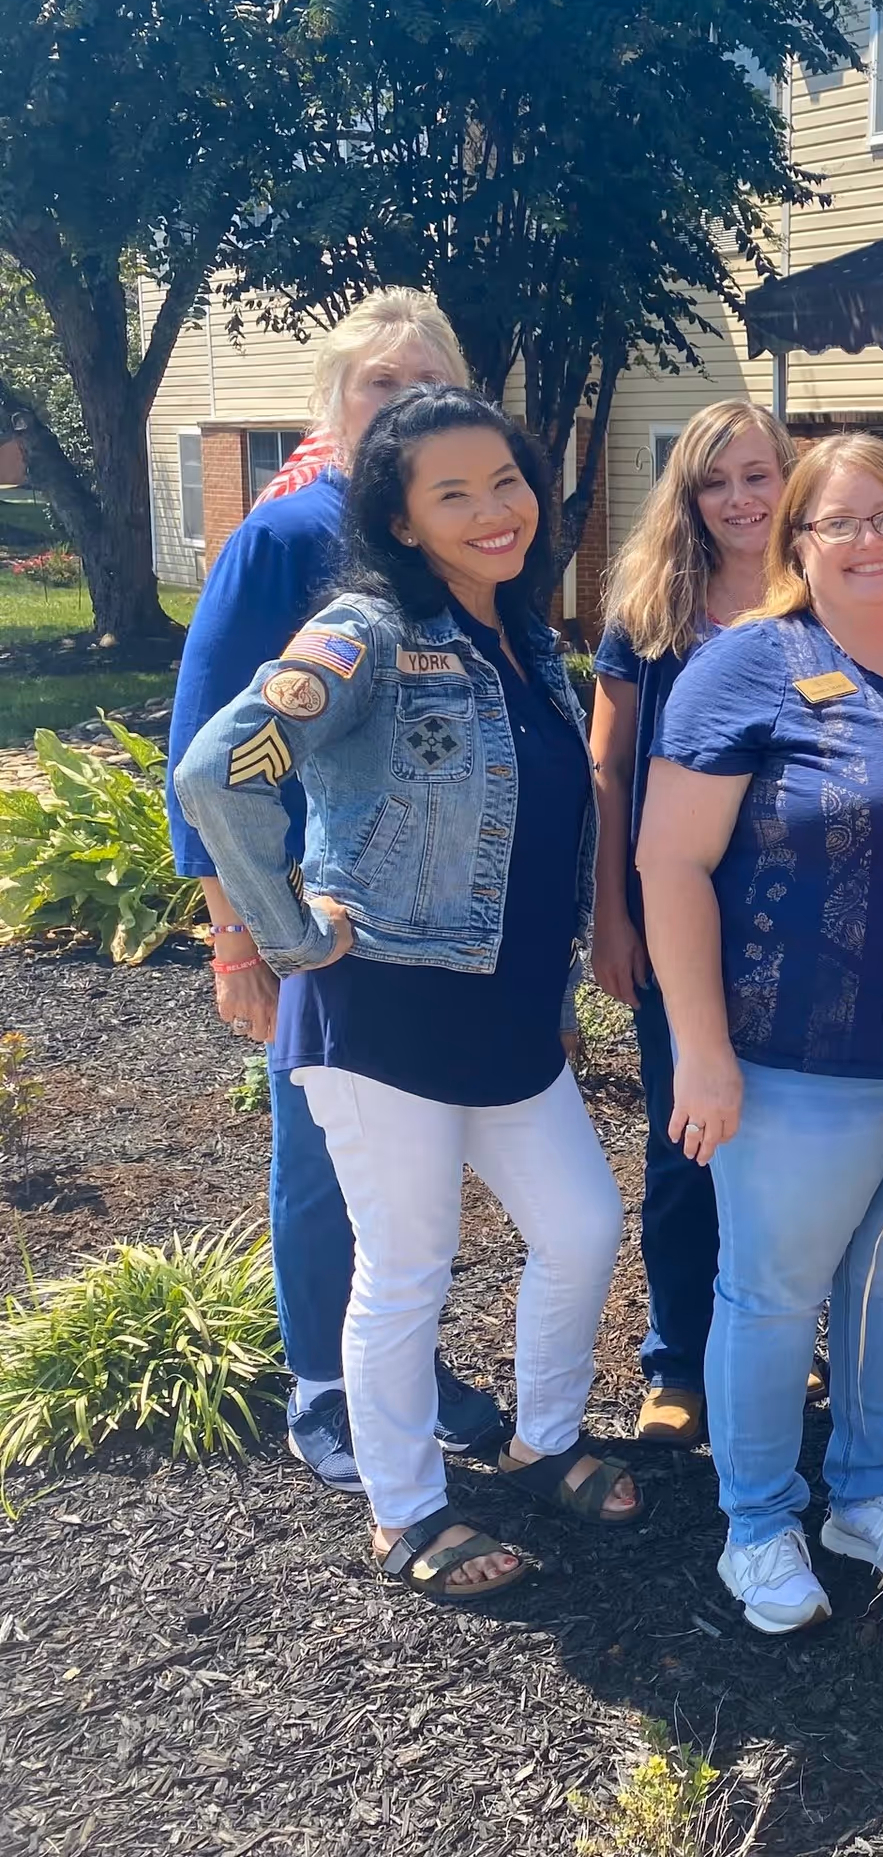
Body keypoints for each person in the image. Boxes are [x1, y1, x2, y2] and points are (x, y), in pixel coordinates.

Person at [176, 386, 637, 1601]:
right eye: (454, 494)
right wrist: (284, 932)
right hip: (381, 1013)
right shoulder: (363, 633)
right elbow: (219, 771)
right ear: (401, 516)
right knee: (410, 1265)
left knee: (584, 1227)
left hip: (504, 1017)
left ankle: (543, 1437)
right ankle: (405, 1510)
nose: (495, 511)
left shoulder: (522, 637)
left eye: (507, 481)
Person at [163, 290, 499, 1493]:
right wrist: (236, 934)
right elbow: (204, 738)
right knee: (320, 1156)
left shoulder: (450, 545)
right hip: (319, 917)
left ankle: (407, 1369)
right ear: (335, 404)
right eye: (378, 387)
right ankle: (326, 1382)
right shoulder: (287, 534)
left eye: (425, 385)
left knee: (411, 1171)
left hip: (432, 918)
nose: (402, 406)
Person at [639, 434, 883, 1635]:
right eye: (840, 522)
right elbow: (669, 862)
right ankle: (760, 1519)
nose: (872, 540)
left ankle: (869, 1494)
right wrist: (701, 1050)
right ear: (799, 545)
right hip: (789, 1057)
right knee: (772, 1295)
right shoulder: (749, 665)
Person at [590, 400, 797, 1447]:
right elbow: (610, 769)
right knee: (686, 1149)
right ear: (688, 495)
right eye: (715, 481)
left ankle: (767, 1344)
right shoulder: (653, 610)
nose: (739, 500)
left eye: (756, 475)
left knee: (794, 1147)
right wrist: (610, 914)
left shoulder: (825, 592)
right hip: (678, 919)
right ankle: (678, 1361)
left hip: (802, 924)